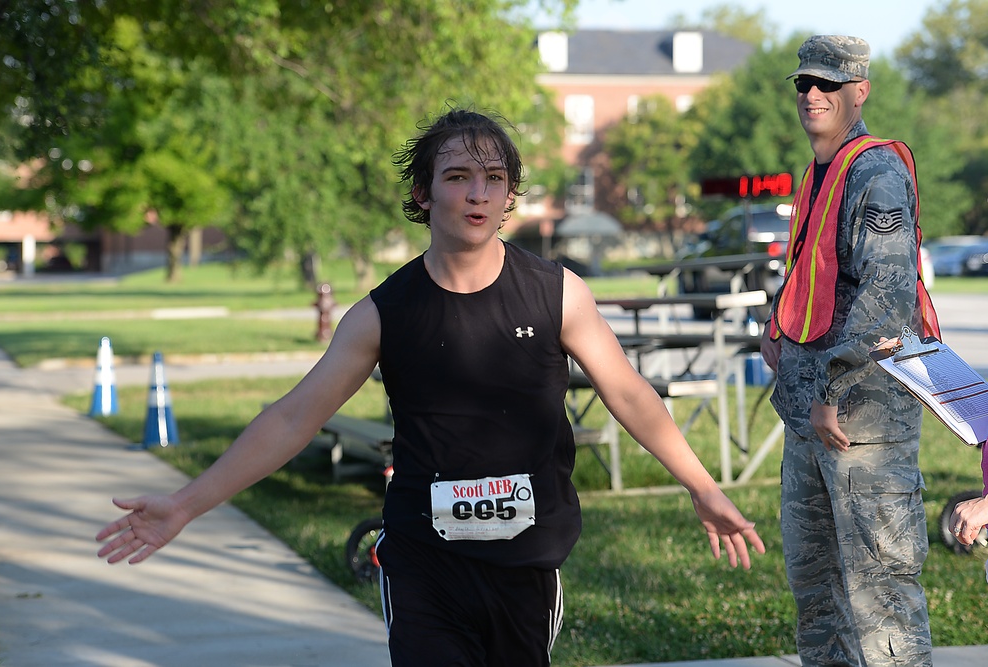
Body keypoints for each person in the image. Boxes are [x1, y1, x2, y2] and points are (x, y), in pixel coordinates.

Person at [96, 106, 765, 665]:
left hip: (527, 561)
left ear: (509, 197)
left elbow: (628, 393)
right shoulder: (384, 313)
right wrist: (188, 501)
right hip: (423, 559)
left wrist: (701, 485)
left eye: (493, 178)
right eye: (457, 176)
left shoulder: (557, 294)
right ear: (423, 193)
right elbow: (293, 416)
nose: (477, 193)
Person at [761, 36, 940, 666]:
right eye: (804, 84)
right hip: (813, 419)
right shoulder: (819, 172)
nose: (813, 95)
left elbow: (886, 298)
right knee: (819, 594)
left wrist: (831, 391)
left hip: (858, 421)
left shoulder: (876, 170)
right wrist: (775, 323)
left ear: (858, 91)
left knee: (879, 597)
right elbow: (819, 274)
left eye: (828, 85)